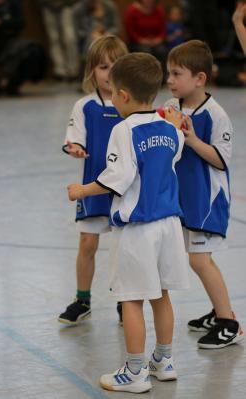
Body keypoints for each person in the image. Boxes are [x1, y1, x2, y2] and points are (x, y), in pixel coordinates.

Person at [67, 52, 189, 393]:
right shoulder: (168, 127)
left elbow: (115, 179)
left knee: (132, 299)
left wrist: (81, 190)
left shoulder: (123, 129)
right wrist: (176, 123)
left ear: (122, 95)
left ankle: (135, 372)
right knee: (161, 295)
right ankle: (164, 362)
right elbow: (175, 151)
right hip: (169, 227)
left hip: (138, 229)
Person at [165, 40, 244, 349]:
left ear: (199, 78)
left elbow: (222, 159)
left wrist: (193, 139)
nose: (169, 81)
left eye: (176, 74)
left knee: (200, 261)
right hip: (183, 199)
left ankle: (230, 323)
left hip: (208, 201)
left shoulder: (216, 114)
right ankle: (218, 311)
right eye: (168, 74)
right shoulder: (172, 108)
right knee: (194, 259)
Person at [58, 35, 128, 326]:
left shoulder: (132, 105)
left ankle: (127, 301)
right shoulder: (84, 106)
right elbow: (74, 139)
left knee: (125, 247)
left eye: (115, 66)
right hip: (93, 188)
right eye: (102, 66)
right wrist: (74, 148)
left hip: (125, 190)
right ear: (91, 71)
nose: (109, 73)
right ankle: (82, 299)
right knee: (87, 243)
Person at [39, 0, 79, 81]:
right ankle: (60, 71)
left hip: (66, 5)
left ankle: (73, 70)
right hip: (48, 6)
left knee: (69, 38)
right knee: (54, 39)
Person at [124, 0, 167, 75]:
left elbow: (163, 29)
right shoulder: (132, 10)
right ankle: (146, 76)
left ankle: (161, 77)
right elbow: (130, 31)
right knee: (146, 51)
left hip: (155, 41)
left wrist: (158, 39)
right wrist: (141, 40)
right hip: (137, 42)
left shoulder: (159, 10)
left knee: (162, 51)